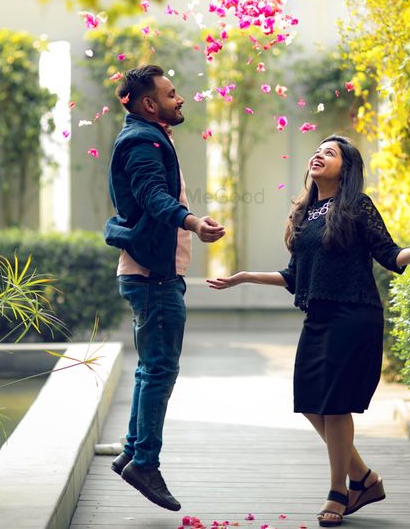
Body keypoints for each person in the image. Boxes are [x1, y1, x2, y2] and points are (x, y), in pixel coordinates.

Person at [207, 135, 410, 527]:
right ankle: (365, 479)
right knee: (308, 401)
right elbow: (294, 276)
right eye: (318, 149)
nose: (319, 154)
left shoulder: (356, 206)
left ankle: (340, 491)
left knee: (335, 405)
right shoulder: (305, 212)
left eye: (331, 152)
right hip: (318, 317)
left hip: (354, 314)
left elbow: (389, 255)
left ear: (346, 168)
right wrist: (244, 278)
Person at [104, 64, 225, 512]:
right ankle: (145, 463)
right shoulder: (142, 142)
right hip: (152, 277)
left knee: (149, 368)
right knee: (159, 370)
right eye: (172, 94)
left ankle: (133, 451)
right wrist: (193, 222)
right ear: (149, 103)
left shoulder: (145, 136)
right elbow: (155, 197)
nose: (181, 99)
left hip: (149, 273)